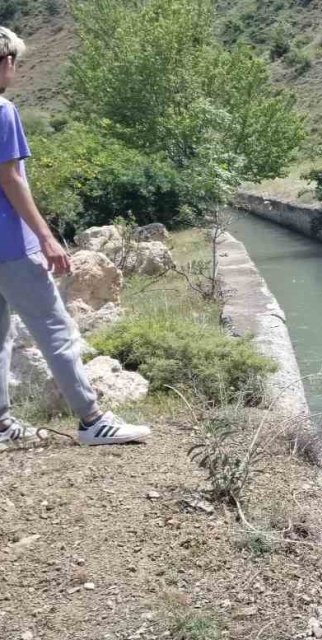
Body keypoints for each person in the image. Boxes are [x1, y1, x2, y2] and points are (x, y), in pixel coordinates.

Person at [0, 26, 150, 448]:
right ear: (6, 61)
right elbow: (11, 179)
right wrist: (46, 238)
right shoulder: (2, 111)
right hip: (11, 246)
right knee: (55, 329)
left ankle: (1, 426)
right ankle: (91, 419)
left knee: (0, 336)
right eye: (14, 61)